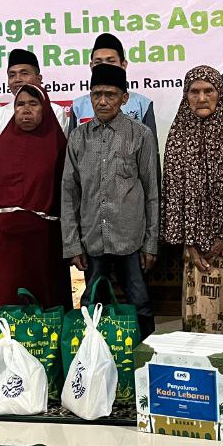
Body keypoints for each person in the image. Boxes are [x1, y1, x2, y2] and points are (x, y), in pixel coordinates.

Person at [62, 64, 160, 340]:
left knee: (139, 302)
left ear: (124, 98)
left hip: (131, 238)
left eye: (110, 95)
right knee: (92, 303)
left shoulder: (141, 135)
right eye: (96, 95)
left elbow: (152, 191)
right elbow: (69, 193)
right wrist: (72, 244)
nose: (102, 101)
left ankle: (143, 362)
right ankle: (94, 361)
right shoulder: (78, 138)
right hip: (93, 237)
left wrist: (151, 242)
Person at [161, 66, 223, 337]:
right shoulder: (178, 136)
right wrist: (190, 242)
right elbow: (173, 194)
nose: (201, 98)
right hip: (195, 250)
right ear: (185, 96)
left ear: (220, 94)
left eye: (208, 91)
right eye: (194, 91)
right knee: (199, 320)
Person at [0, 83, 71, 309]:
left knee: (45, 299)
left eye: (33, 103)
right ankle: (7, 346)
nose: (25, 109)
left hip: (45, 241)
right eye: (20, 104)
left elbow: (68, 196)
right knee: (7, 298)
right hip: (6, 241)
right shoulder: (4, 143)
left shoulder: (57, 145)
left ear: (45, 108)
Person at [0, 49, 69, 176]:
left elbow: (57, 155)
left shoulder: (55, 112)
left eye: (24, 73)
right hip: (9, 186)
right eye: (12, 75)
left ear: (39, 79)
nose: (17, 79)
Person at [69, 33, 158, 137]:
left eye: (110, 61)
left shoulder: (142, 104)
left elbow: (151, 149)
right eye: (98, 62)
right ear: (91, 66)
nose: (104, 67)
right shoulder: (78, 106)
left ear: (123, 65)